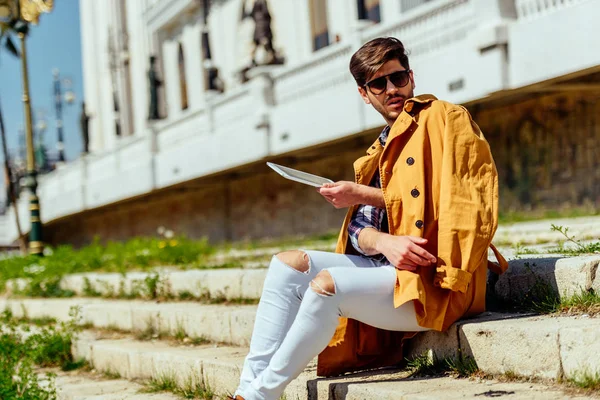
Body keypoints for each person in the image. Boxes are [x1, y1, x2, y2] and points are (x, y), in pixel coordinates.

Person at [230, 37, 507, 400]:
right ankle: (245, 387)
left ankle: (258, 396)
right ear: (364, 94)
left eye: (399, 77)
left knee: (327, 286)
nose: (393, 89)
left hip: (432, 278)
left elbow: (463, 201)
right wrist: (382, 240)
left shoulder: (445, 119)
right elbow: (361, 229)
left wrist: (362, 195)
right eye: (379, 83)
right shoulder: (380, 148)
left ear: (411, 76)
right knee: (287, 265)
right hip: (386, 271)